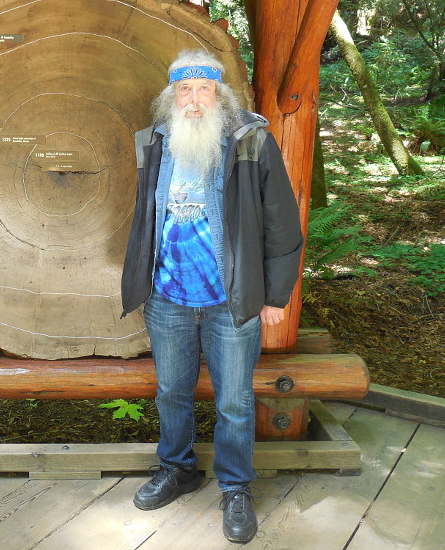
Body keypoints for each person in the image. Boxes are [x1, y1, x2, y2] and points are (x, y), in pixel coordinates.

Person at [121, 50, 303, 543]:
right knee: (171, 392)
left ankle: (236, 487)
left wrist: (275, 294)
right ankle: (177, 469)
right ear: (172, 97)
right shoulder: (155, 141)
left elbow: (281, 222)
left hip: (231, 300)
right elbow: (146, 217)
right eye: (185, 89)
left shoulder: (251, 141)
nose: (195, 98)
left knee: (236, 402)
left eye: (205, 88)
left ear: (220, 95)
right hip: (168, 297)